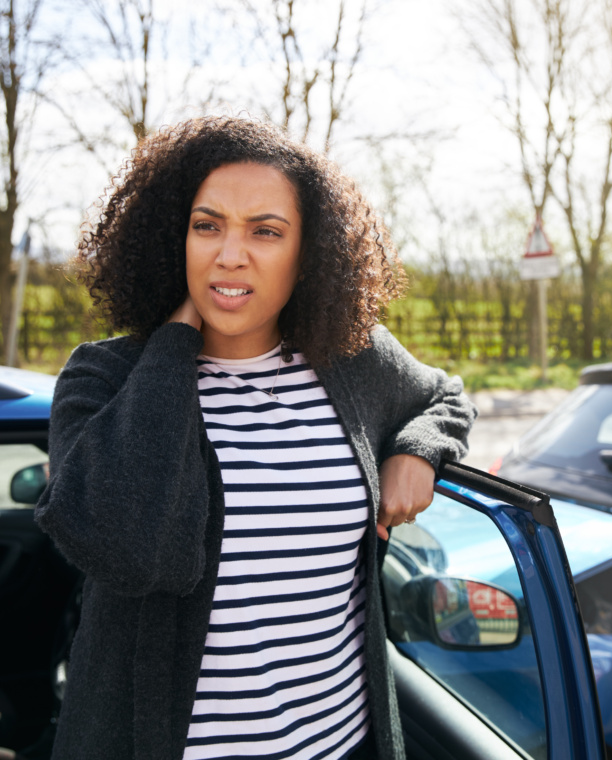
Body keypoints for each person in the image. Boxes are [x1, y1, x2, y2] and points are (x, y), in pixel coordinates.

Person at [35, 115, 476, 760]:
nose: (229, 254)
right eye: (206, 225)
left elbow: (445, 396)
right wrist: (176, 341)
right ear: (171, 237)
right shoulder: (106, 376)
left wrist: (417, 450)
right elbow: (125, 545)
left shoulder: (350, 362)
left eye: (265, 232)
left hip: (342, 745)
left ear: (310, 253)